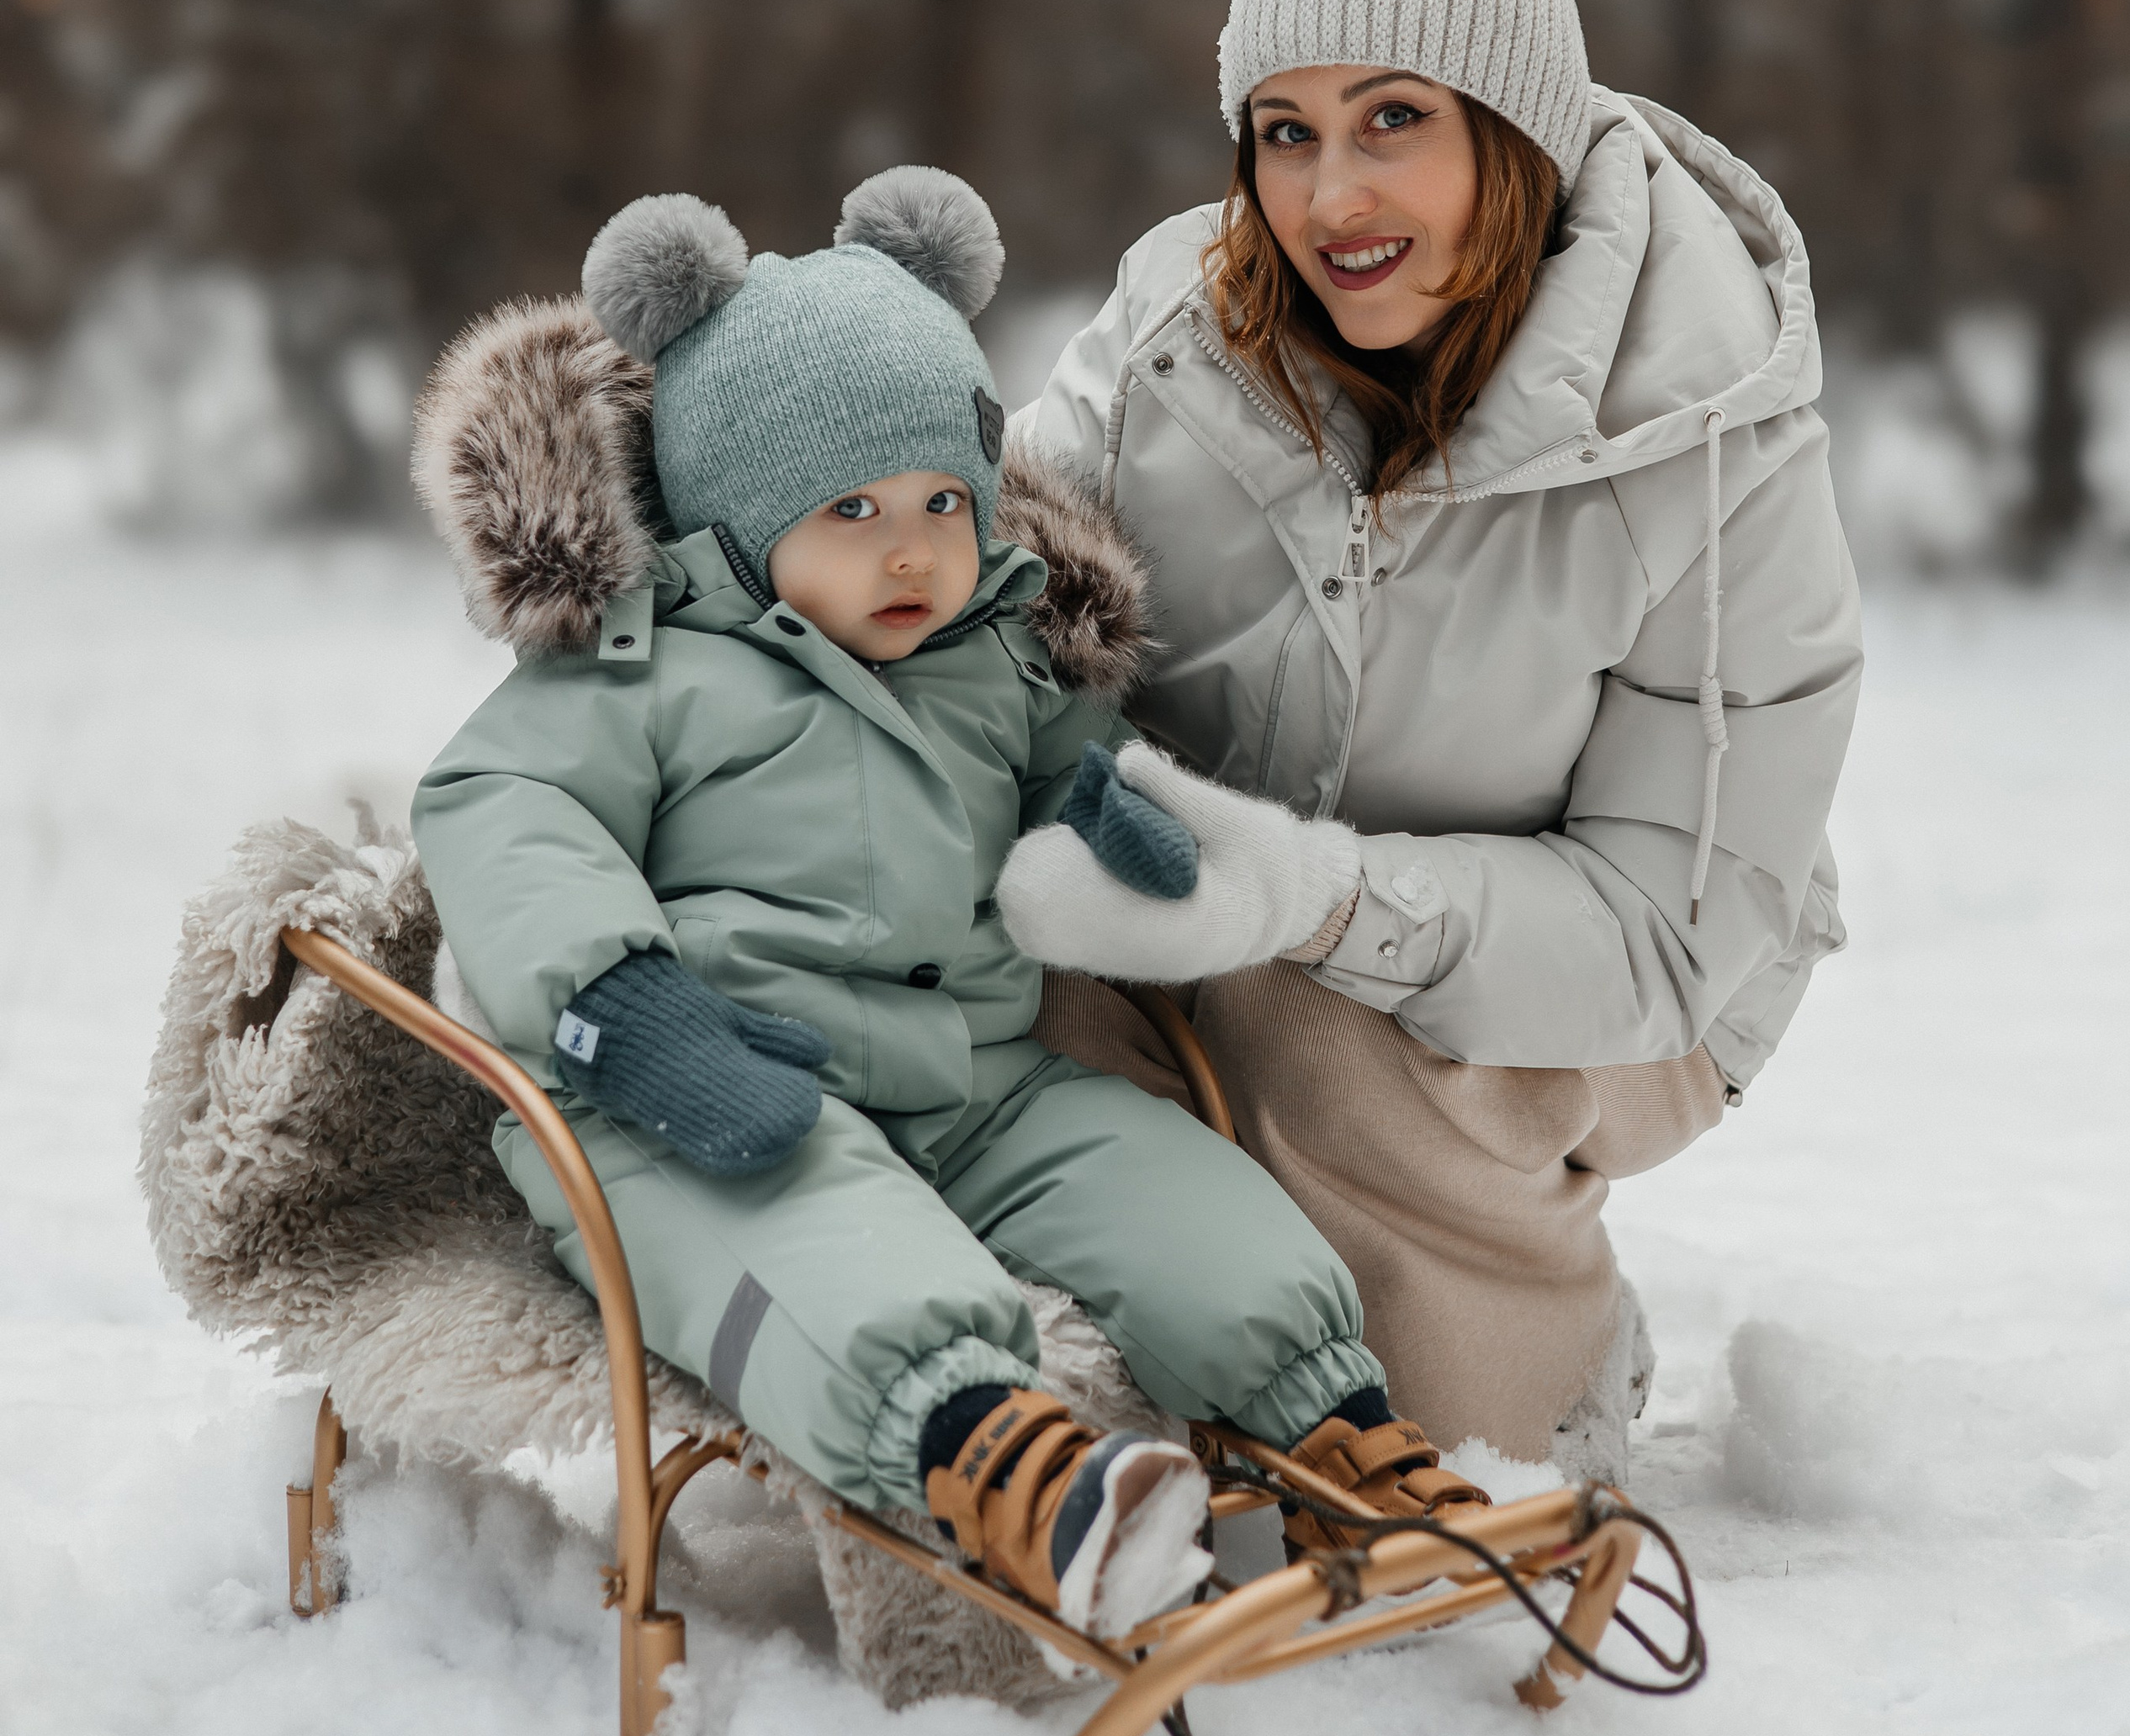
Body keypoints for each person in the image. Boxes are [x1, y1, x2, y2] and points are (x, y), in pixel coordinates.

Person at [410, 165, 1486, 1643]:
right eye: (851, 509)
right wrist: (623, 1005)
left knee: (1192, 1208)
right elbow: (504, 810)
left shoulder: (988, 652)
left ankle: (1339, 1439)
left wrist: (1100, 804)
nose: (910, 547)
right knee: (832, 1258)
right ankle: (1018, 1478)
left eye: (939, 501)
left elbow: (1057, 755)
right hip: (718, 1088)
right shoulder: (644, 665)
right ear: (739, 510)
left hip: (972, 1078)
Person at [998, 0, 1863, 1482]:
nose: (1328, 199)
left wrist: (1312, 896)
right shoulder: (1178, 335)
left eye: (1392, 117)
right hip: (1217, 893)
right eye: (1285, 131)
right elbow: (992, 593)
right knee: (1022, 989)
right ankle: (1110, 1342)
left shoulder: (1706, 429)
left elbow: (1658, 926)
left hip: (1646, 968)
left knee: (1317, 1053)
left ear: (1508, 134)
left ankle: (1536, 1375)